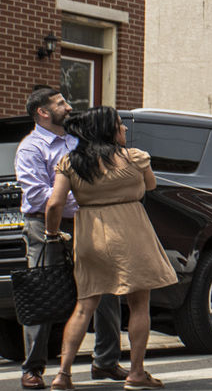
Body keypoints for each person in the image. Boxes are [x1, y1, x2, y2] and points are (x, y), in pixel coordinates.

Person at [44, 107, 178, 391]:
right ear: (107, 130)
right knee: (139, 305)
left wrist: (52, 234)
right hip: (131, 232)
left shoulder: (70, 162)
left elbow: (54, 204)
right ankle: (137, 374)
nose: (125, 129)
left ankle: (63, 375)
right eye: (120, 125)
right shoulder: (136, 157)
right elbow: (151, 185)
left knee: (84, 307)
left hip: (90, 233)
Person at [14, 88, 127, 390]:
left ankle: (105, 361)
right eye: (60, 103)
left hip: (86, 222)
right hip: (44, 225)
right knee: (44, 291)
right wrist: (76, 197)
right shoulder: (30, 148)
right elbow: (38, 195)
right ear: (43, 112)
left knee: (105, 288)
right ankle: (34, 368)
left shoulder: (78, 141)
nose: (68, 106)